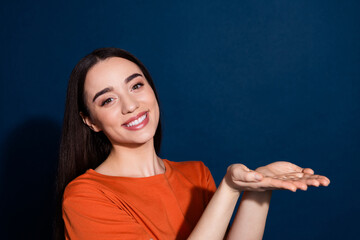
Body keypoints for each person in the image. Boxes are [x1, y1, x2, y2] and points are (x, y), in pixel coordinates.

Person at [54, 47, 330, 240]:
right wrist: (229, 188)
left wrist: (257, 191)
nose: (131, 105)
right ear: (91, 121)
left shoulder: (196, 175)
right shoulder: (85, 197)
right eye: (107, 100)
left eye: (136, 85)